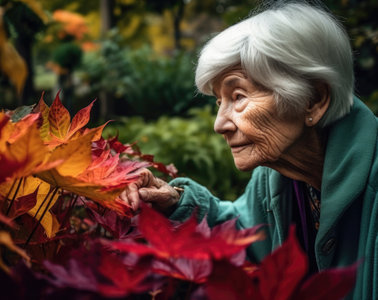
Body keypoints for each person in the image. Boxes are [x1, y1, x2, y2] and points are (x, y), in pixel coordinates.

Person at [119, 1, 378, 299]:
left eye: (238, 96)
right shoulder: (276, 178)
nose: (219, 124)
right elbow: (242, 232)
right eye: (219, 101)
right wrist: (174, 203)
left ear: (314, 100)